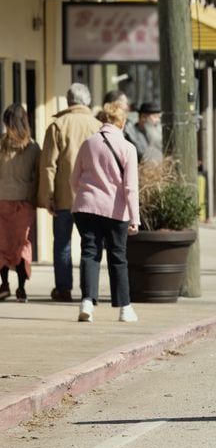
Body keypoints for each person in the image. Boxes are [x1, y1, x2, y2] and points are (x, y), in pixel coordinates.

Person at [70, 102, 140, 322]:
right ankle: (124, 308)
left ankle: (87, 303)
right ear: (122, 121)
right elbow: (130, 187)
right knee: (117, 256)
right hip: (115, 210)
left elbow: (74, 178)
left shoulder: (88, 143)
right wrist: (134, 218)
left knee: (89, 253)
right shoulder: (128, 147)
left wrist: (84, 194)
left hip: (86, 207)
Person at [38, 82, 101, 303]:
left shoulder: (58, 126)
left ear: (68, 101)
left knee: (62, 242)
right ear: (88, 102)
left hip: (64, 197)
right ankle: (88, 291)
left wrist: (48, 196)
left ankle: (63, 289)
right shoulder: (98, 126)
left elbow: (49, 165)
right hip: (91, 197)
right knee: (89, 244)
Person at [0, 105, 40, 302]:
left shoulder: (0, 145)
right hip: (24, 203)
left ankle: (4, 285)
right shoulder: (32, 148)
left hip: (2, 200)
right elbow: (37, 175)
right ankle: (22, 289)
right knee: (22, 245)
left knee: (2, 245)